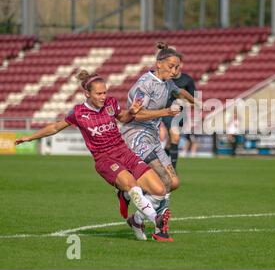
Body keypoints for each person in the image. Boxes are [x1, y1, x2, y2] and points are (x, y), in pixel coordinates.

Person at [15, 70, 172, 242]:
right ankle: (155, 219)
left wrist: (132, 112)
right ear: (87, 94)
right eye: (98, 93)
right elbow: (54, 127)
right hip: (105, 159)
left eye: (105, 92)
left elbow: (124, 118)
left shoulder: (111, 104)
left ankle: (136, 220)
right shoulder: (79, 113)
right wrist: (29, 137)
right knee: (132, 186)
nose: (103, 96)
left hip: (124, 152)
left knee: (159, 191)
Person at [119, 42, 198, 238]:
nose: (175, 71)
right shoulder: (144, 84)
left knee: (173, 182)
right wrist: (165, 111)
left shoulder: (167, 83)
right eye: (171, 66)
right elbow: (136, 115)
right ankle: (159, 228)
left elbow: (180, 92)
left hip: (152, 137)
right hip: (136, 135)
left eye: (177, 67)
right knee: (163, 180)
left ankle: (136, 218)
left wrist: (198, 103)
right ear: (159, 63)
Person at [161, 60, 196, 169]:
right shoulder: (165, 79)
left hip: (181, 114)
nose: (174, 69)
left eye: (176, 66)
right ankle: (173, 169)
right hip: (167, 112)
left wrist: (185, 102)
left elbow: (194, 99)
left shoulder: (187, 80)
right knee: (175, 138)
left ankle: (164, 165)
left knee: (170, 142)